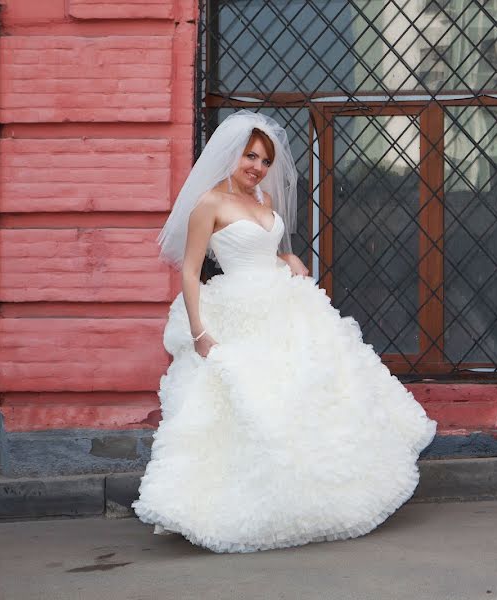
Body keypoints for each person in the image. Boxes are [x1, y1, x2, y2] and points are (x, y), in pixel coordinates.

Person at [133, 110, 437, 553]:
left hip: (284, 303)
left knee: (309, 392)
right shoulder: (210, 203)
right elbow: (192, 271)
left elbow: (265, 251)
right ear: (231, 156)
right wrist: (200, 332)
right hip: (239, 311)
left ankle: (319, 498)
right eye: (250, 156)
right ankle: (244, 506)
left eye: (264, 160)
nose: (256, 166)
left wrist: (286, 261)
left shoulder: (264, 203)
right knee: (253, 402)